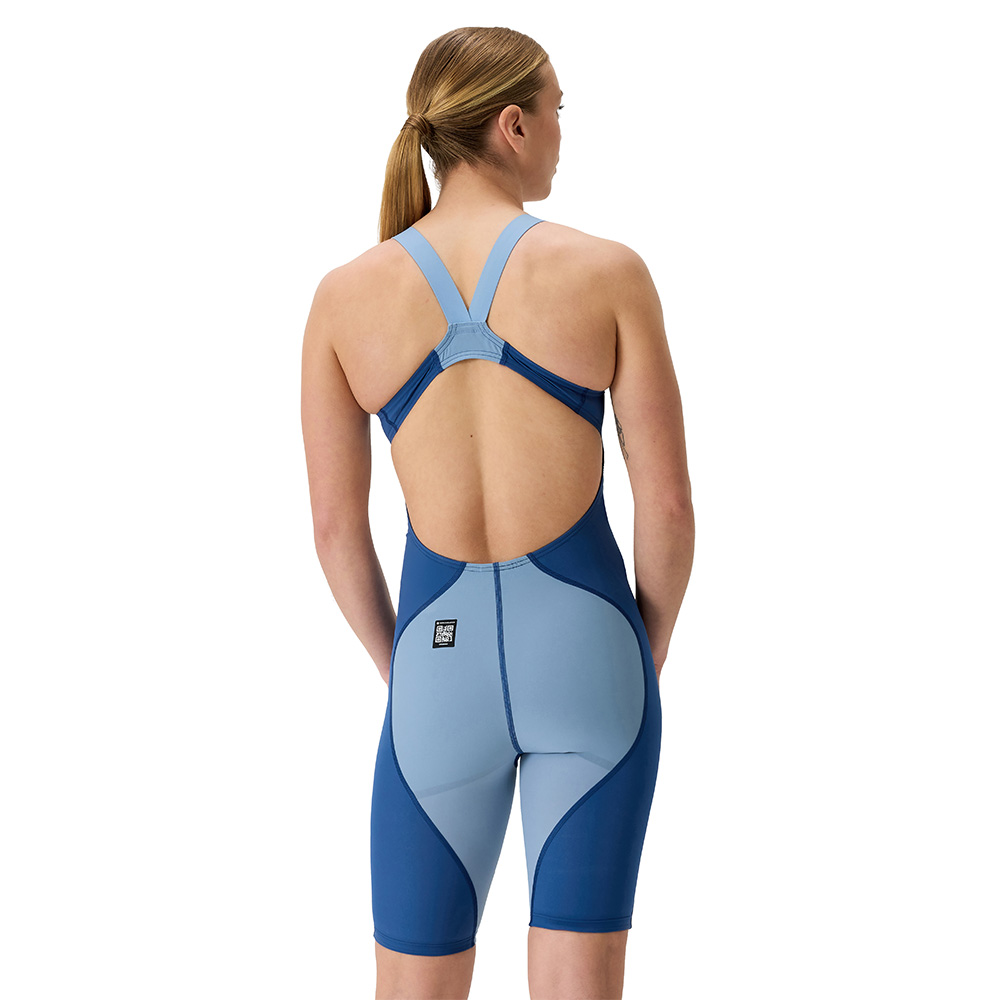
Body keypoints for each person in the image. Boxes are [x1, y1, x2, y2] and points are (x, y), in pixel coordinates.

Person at [300, 25, 695, 1000]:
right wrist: (636, 656)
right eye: (558, 109)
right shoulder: (606, 272)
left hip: (436, 669)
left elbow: (336, 531)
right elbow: (668, 504)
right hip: (591, 649)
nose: (563, 130)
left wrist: (406, 670)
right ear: (512, 125)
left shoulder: (345, 299)